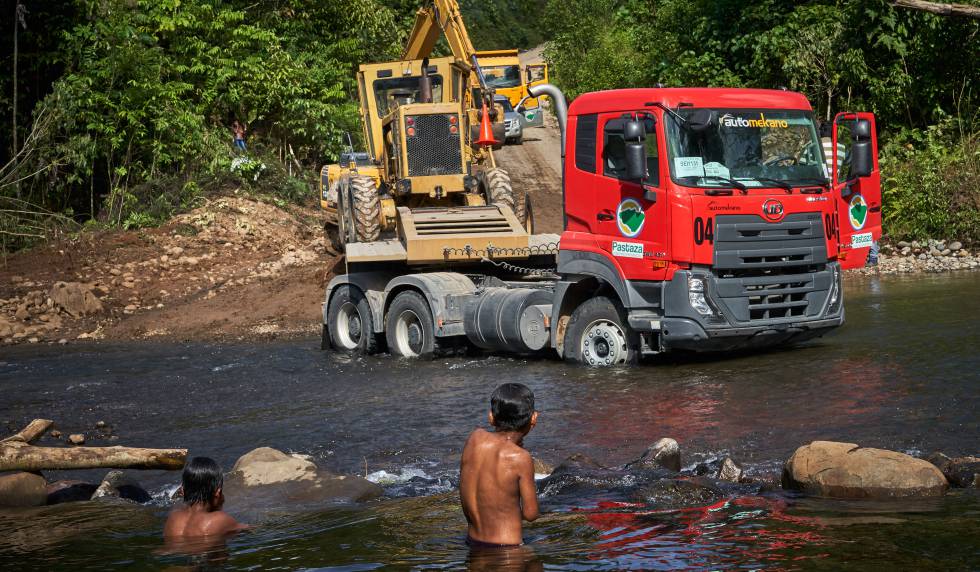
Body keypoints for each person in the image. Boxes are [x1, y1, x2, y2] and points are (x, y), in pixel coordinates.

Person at [459, 383, 540, 548]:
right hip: (508, 549)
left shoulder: (475, 438)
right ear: (533, 419)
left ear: (491, 417)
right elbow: (530, 514)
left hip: (472, 543)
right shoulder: (521, 458)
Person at [164, 456, 247, 539]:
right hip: (207, 551)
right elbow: (250, 530)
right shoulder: (220, 520)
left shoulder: (173, 517)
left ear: (182, 491)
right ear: (217, 493)